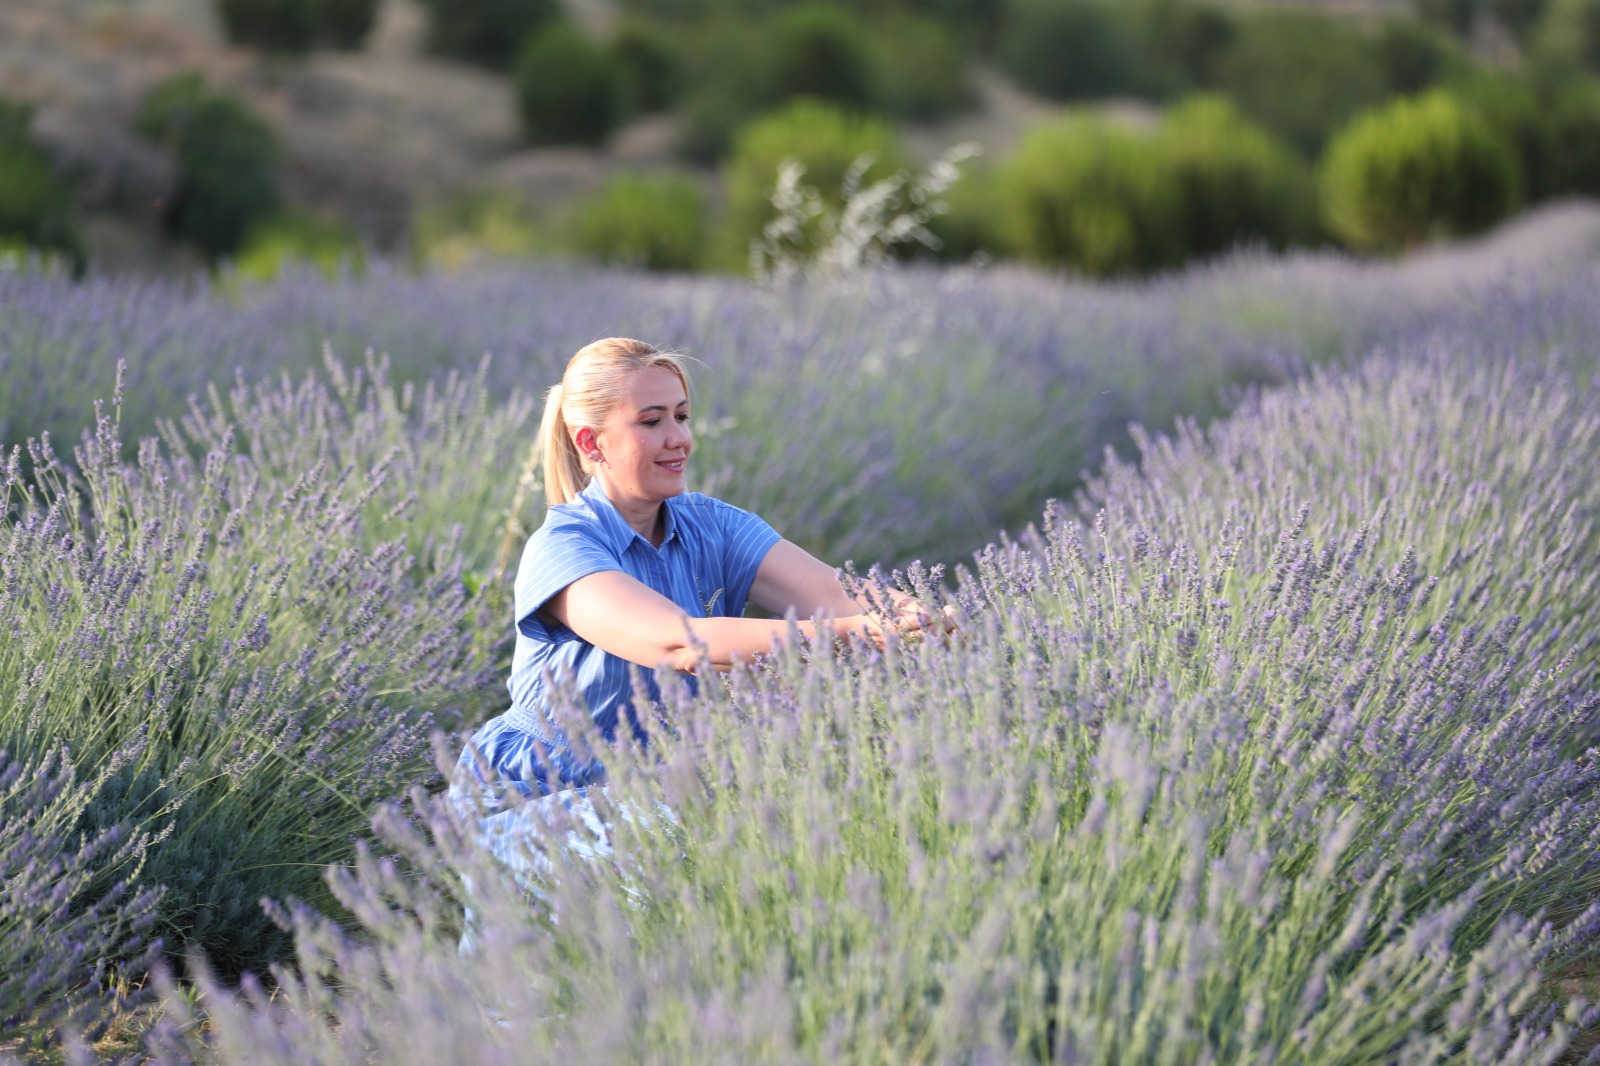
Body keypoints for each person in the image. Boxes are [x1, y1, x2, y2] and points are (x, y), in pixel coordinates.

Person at [449, 337, 945, 903]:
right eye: (652, 422)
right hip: (537, 795)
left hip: (660, 791)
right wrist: (852, 636)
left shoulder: (714, 524)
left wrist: (913, 617)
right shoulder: (562, 546)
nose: (679, 438)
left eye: (682, 416)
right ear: (592, 442)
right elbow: (679, 645)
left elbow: (841, 596)